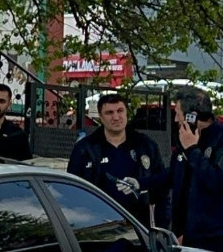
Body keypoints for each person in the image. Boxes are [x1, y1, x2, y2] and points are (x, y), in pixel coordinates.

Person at [67, 93, 168, 227]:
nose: (116, 117)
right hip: (97, 228)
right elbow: (71, 191)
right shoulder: (85, 149)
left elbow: (162, 188)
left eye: (120, 111)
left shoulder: (145, 145)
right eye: (109, 113)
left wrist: (164, 227)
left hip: (138, 227)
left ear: (127, 113)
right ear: (101, 117)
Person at [169, 86, 223, 252]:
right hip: (188, 236)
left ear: (191, 116)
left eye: (178, 112)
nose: (175, 119)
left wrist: (192, 150)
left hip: (217, 236)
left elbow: (216, 180)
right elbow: (175, 178)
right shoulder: (186, 137)